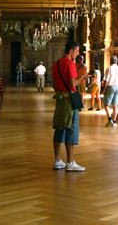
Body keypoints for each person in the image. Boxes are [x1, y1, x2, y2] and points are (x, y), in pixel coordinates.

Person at [51, 41, 87, 172]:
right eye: (77, 51)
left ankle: (57, 160)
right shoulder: (71, 64)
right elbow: (73, 84)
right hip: (68, 101)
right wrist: (83, 76)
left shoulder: (56, 64)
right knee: (71, 129)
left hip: (60, 99)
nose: (78, 54)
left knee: (59, 128)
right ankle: (70, 162)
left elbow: (54, 84)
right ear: (71, 51)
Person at [101, 56, 118, 127]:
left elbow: (106, 80)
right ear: (117, 61)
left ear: (110, 61)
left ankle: (110, 120)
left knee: (106, 104)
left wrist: (104, 89)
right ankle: (114, 122)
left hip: (110, 86)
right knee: (115, 105)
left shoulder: (109, 69)